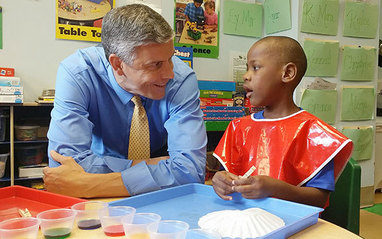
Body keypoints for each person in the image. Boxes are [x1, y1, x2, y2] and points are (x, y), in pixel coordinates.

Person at [43, 4, 207, 198]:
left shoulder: (182, 80)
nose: (170, 73)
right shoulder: (78, 73)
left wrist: (93, 184)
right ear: (118, 64)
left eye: (171, 58)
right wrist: (155, 165)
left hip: (147, 195)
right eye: (155, 65)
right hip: (139, 190)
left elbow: (191, 172)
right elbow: (63, 167)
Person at [211, 36, 353, 208]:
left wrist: (275, 189)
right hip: (244, 221)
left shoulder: (314, 133)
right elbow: (225, 175)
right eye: (247, 68)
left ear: (287, 73)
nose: (246, 76)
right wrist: (219, 180)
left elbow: (319, 199)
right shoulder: (238, 127)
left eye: (255, 68)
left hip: (291, 224)